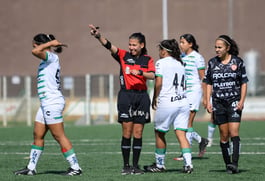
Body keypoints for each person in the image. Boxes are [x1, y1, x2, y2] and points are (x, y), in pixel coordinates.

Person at [89, 24, 155, 175]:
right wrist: (98, 36)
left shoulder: (147, 59)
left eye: (134, 45)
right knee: (127, 131)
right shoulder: (123, 55)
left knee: (138, 133)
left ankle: (136, 166)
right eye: (130, 44)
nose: (131, 47)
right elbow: (109, 46)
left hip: (142, 97)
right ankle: (126, 166)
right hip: (126, 96)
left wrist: (139, 71)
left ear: (142, 45)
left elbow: (152, 75)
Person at [14, 34, 82, 176]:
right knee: (37, 135)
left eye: (35, 43)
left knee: (59, 136)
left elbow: (35, 51)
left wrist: (50, 44)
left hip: (52, 102)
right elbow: (37, 51)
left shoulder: (51, 57)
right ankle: (31, 168)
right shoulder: (46, 59)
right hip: (46, 103)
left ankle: (76, 168)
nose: (33, 46)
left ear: (38, 44)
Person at [143, 39, 193, 174]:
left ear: (164, 51)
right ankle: (188, 164)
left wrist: (154, 97)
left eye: (160, 49)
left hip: (167, 102)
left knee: (159, 133)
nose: (159, 52)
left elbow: (158, 82)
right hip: (183, 102)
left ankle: (160, 165)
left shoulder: (161, 63)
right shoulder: (181, 63)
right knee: (181, 134)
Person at [203, 35, 248, 174]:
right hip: (218, 103)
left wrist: (241, 101)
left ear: (227, 48)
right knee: (223, 135)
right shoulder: (212, 63)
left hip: (234, 101)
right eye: (215, 47)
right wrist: (208, 100)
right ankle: (228, 163)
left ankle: (234, 163)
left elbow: (244, 82)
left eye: (220, 47)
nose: (217, 50)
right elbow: (208, 83)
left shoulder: (237, 62)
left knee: (234, 132)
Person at [173, 34, 208, 161]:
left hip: (194, 92)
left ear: (190, 44)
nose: (180, 45)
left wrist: (205, 96)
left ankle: (185, 153)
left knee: (187, 123)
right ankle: (201, 140)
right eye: (180, 42)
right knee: (180, 123)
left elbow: (204, 78)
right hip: (183, 93)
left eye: (183, 42)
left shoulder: (198, 57)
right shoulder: (181, 57)